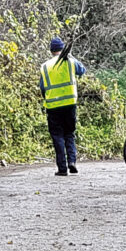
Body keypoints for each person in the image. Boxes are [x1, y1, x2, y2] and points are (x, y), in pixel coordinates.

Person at [39, 36, 86, 176]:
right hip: (70, 104)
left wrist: (47, 99)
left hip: (53, 106)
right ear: (63, 48)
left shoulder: (45, 66)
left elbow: (42, 87)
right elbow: (82, 70)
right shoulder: (70, 61)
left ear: (51, 50)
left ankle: (62, 168)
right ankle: (72, 161)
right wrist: (72, 56)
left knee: (57, 136)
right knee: (69, 133)